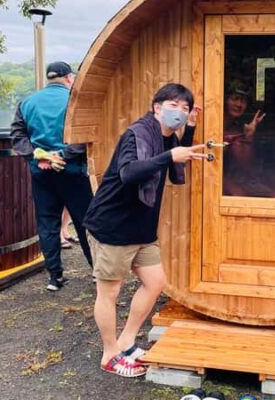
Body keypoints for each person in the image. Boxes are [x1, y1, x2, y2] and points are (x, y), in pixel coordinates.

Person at [83, 83, 205, 377]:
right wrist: (171, 155)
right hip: (113, 226)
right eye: (174, 105)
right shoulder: (137, 134)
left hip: (141, 228)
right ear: (157, 107)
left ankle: (126, 342)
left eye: (185, 108)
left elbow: (175, 171)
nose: (180, 111)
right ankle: (109, 354)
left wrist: (188, 131)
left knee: (156, 282)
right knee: (109, 292)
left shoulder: (165, 137)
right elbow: (129, 173)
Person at [10, 61, 94, 292]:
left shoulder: (27, 103)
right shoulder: (75, 102)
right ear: (69, 78)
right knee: (86, 222)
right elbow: (86, 136)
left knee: (47, 223)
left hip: (41, 174)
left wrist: (39, 157)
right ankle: (97, 272)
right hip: (74, 173)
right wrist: (62, 155)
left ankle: (54, 277)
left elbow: (17, 136)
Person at [222, 81, 266, 196]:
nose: (239, 104)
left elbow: (246, 167)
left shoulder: (239, 129)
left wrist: (248, 137)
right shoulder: (212, 122)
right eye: (235, 98)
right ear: (225, 99)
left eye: (244, 101)